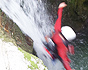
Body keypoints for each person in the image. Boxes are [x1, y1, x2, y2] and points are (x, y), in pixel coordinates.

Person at [44, 2, 76, 70]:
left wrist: (60, 8)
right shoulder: (63, 45)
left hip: (52, 53)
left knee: (47, 40)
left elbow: (59, 18)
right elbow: (64, 61)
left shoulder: (58, 31)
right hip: (55, 51)